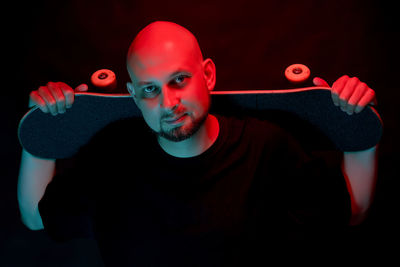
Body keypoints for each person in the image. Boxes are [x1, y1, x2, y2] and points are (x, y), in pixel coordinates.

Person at [18, 21, 378, 265]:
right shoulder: (113, 158)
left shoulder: (266, 148)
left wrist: (356, 127)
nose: (168, 103)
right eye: (150, 90)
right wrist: (44, 135)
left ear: (207, 74)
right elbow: (36, 218)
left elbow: (352, 211)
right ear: (133, 95)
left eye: (179, 80)